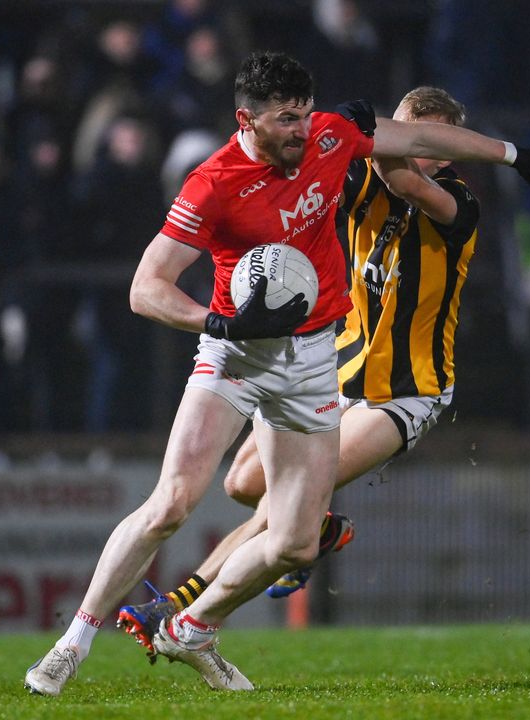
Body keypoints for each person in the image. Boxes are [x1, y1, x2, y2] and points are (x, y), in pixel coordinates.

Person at [24, 51, 530, 697]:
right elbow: (145, 287)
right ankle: (84, 641)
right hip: (279, 360)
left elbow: (410, 161)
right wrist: (216, 323)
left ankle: (189, 614)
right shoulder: (234, 178)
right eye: (288, 120)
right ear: (248, 119)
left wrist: (511, 155)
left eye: (307, 118)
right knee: (220, 495)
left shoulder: (445, 202)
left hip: (397, 386)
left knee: (290, 532)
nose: (304, 131)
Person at [116, 84, 479, 654]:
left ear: (447, 154)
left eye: (423, 144)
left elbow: (403, 178)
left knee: (284, 500)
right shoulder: (360, 180)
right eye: (398, 133)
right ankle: (320, 528)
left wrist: (365, 137)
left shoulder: (456, 205)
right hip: (343, 370)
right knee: (242, 484)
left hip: (407, 391)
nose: (405, 151)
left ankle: (182, 605)